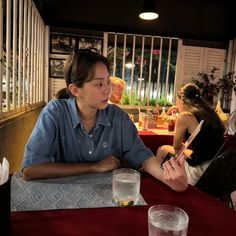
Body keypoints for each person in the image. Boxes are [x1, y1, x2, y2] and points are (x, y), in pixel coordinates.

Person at [22, 48, 188, 192]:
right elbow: (31, 170)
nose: (108, 90)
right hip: (63, 199)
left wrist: (168, 178)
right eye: (99, 84)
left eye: (108, 82)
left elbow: (142, 155)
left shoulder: (117, 116)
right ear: (75, 90)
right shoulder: (55, 113)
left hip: (107, 196)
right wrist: (94, 167)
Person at [156, 83, 225, 186]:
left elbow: (177, 147)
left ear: (182, 100)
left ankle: (160, 185)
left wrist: (180, 116)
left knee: (162, 150)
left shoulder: (185, 116)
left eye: (176, 100)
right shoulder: (208, 113)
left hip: (200, 171)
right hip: (220, 167)